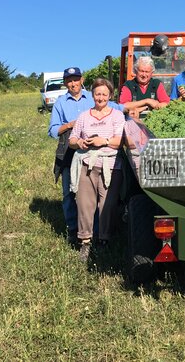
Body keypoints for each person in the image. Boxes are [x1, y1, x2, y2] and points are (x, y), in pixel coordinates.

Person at [48, 67, 123, 245]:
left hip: (104, 158)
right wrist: (70, 126)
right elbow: (53, 131)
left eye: (76, 79)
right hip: (72, 153)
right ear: (66, 82)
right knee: (72, 195)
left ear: (81, 80)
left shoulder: (95, 97)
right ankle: (75, 231)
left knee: (103, 199)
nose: (73, 83)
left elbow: (119, 109)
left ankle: (100, 234)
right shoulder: (61, 103)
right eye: (69, 80)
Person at [68, 78, 126, 261]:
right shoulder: (84, 116)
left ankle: (104, 239)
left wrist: (105, 141)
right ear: (92, 95)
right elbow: (71, 139)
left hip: (111, 165)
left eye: (104, 94)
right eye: (97, 93)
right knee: (84, 204)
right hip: (87, 165)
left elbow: (121, 140)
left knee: (107, 205)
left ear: (110, 96)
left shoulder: (117, 115)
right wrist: (79, 142)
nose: (100, 97)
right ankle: (85, 242)